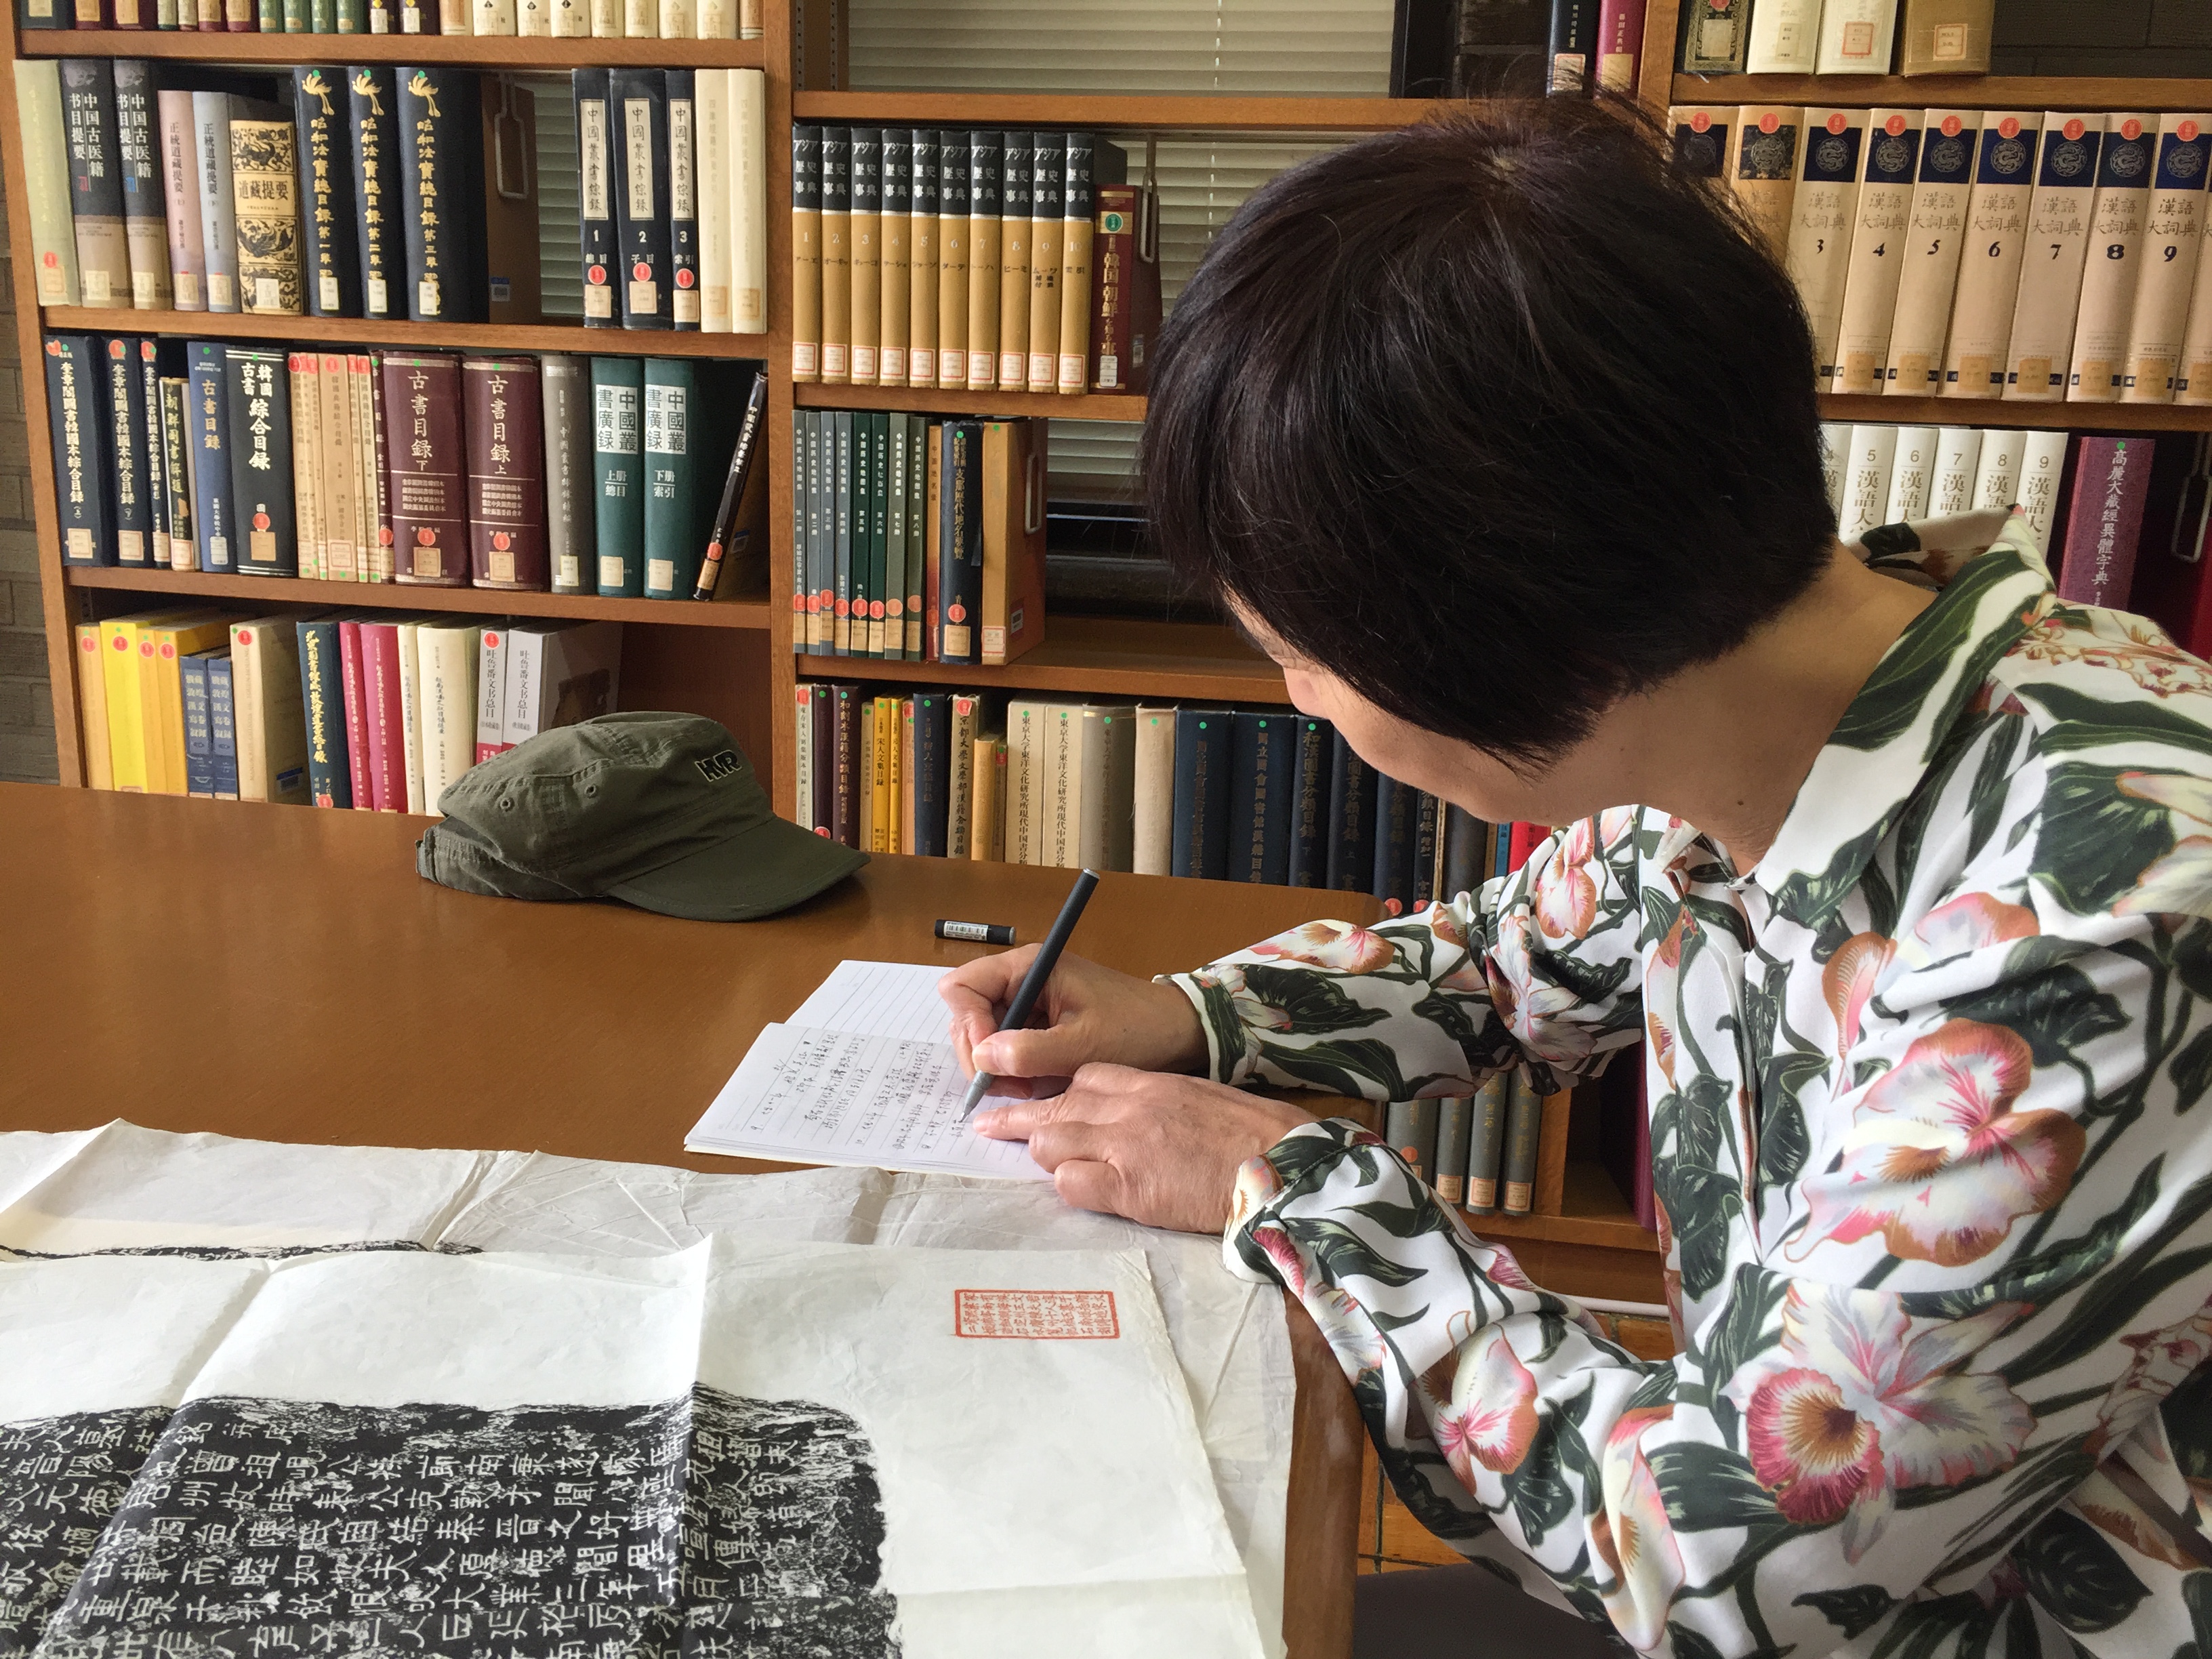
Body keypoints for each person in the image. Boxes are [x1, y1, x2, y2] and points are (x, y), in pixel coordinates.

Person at [938, 98, 2212, 1658]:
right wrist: (1197, 1023)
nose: (1298, 705)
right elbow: (1511, 961)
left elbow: (1740, 1572)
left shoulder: (2098, 927)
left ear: (1555, 650)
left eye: (1301, 658)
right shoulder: (1804, 675)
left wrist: (1298, 1192)